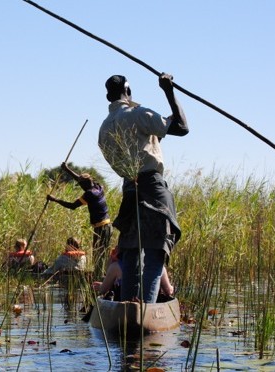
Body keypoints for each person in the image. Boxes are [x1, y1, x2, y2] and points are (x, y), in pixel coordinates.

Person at [98, 73, 188, 303]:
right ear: (128, 90)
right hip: (152, 186)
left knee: (130, 254)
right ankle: (147, 309)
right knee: (156, 251)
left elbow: (138, 147)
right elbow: (181, 126)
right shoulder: (138, 114)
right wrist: (169, 90)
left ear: (108, 96)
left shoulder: (104, 128)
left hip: (129, 190)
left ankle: (128, 307)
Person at [47, 163, 112, 278]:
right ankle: (101, 275)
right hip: (107, 225)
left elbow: (72, 206)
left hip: (101, 227)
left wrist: (54, 199)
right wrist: (67, 169)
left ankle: (99, 278)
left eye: (81, 185)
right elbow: (81, 179)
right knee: (102, 254)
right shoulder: (98, 186)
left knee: (98, 254)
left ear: (85, 184)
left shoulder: (89, 194)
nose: (80, 187)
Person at [93, 246, 175, 301]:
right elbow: (168, 291)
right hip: (148, 306)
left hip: (124, 305)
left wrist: (100, 286)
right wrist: (172, 287)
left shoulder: (115, 267)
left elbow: (103, 289)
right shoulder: (159, 268)